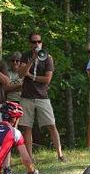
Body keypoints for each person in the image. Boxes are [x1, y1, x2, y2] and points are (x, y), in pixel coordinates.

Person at [18, 32, 65, 162]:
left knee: (51, 124)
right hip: (27, 96)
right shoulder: (25, 56)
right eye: (34, 42)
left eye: (39, 41)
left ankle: (60, 154)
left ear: (42, 42)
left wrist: (31, 76)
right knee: (27, 127)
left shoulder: (48, 58)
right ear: (30, 43)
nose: (36, 44)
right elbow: (21, 74)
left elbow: (47, 79)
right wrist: (32, 60)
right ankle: (29, 158)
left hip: (42, 96)